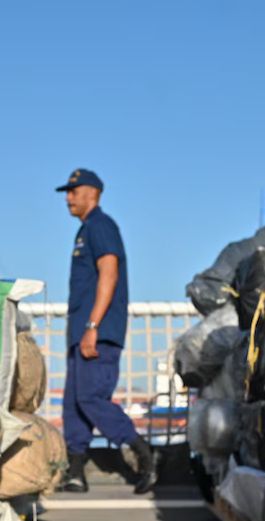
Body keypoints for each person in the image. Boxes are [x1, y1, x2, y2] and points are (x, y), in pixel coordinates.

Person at [54, 168, 157, 494]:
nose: (68, 197)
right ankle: (76, 473)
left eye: (73, 191)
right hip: (82, 331)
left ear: (92, 193)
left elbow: (109, 275)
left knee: (91, 397)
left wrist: (92, 327)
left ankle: (144, 454)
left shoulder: (101, 225)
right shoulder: (85, 230)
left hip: (96, 331)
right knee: (72, 403)